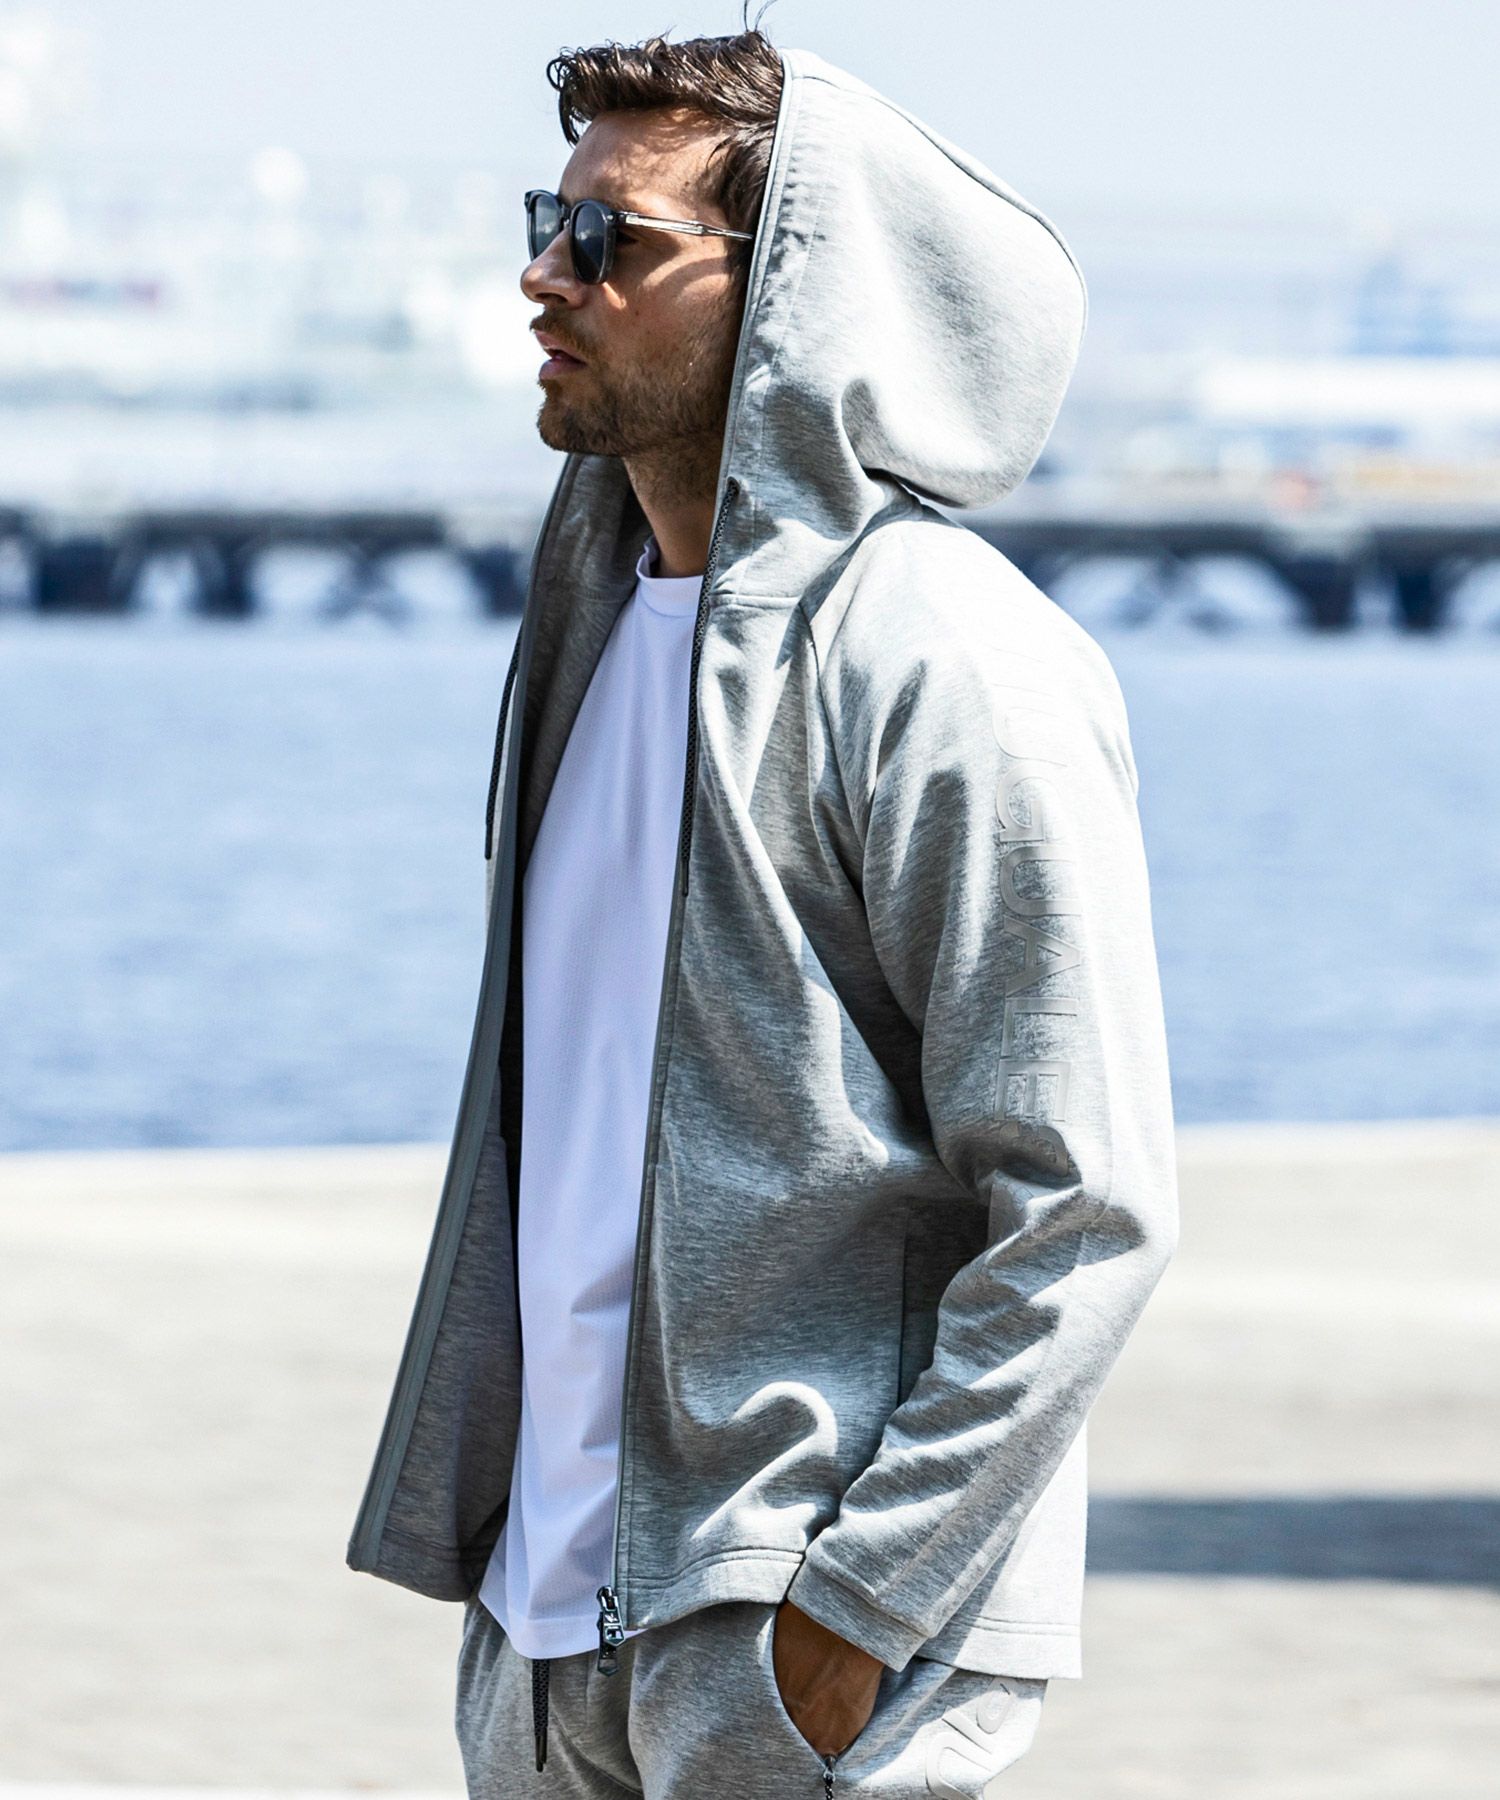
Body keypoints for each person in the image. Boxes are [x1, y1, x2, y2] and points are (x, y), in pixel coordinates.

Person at [347, 25, 1179, 1799]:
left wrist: (856, 1612)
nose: (544, 277)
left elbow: (1089, 1205)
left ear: (794, 286)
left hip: (794, 1642)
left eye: (609, 240)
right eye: (547, 222)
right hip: (549, 1623)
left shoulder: (949, 662)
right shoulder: (584, 642)